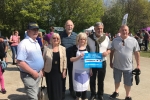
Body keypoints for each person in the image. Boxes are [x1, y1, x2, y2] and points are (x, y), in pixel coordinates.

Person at [109, 25, 140, 100]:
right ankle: (116, 92)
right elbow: (112, 51)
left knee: (128, 82)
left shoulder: (133, 41)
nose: (124, 31)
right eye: (122, 30)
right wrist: (110, 61)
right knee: (117, 80)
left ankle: (128, 96)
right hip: (117, 65)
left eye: (126, 30)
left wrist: (138, 65)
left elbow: (136, 53)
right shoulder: (115, 40)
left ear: (128, 31)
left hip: (128, 67)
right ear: (119, 31)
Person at [17, 22, 44, 100]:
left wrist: (40, 70)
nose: (35, 32)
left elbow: (39, 57)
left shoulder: (36, 42)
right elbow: (20, 62)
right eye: (33, 30)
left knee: (35, 94)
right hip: (29, 75)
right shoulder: (24, 44)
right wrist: (33, 72)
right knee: (33, 98)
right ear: (28, 31)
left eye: (37, 30)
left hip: (37, 74)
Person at [87, 22, 111, 100]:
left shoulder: (106, 38)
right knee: (92, 79)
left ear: (103, 29)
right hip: (92, 60)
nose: (99, 30)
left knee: (101, 79)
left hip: (102, 61)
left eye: (101, 28)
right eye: (98, 28)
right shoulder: (89, 38)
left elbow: (109, 49)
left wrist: (107, 52)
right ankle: (93, 94)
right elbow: (86, 48)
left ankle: (100, 94)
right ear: (94, 29)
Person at [43, 33, 67, 100]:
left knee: (59, 88)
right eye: (54, 38)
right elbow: (43, 60)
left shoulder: (63, 48)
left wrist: (64, 70)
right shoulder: (46, 48)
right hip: (49, 72)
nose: (55, 39)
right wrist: (42, 70)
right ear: (51, 39)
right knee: (50, 88)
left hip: (59, 72)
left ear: (59, 40)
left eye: (57, 38)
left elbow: (65, 60)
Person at [70, 32, 92, 100]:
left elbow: (90, 60)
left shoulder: (87, 47)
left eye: (84, 39)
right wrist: (79, 57)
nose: (82, 40)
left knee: (85, 84)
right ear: (78, 39)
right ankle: (78, 96)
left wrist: (91, 69)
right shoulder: (74, 47)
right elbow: (71, 59)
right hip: (77, 70)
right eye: (81, 39)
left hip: (86, 70)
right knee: (78, 84)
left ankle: (84, 97)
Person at [59, 20, 77, 99]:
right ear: (65, 26)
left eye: (71, 25)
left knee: (72, 76)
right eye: (68, 25)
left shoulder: (76, 36)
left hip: (73, 60)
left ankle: (72, 90)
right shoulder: (60, 35)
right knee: (63, 76)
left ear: (73, 26)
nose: (69, 27)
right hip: (62, 60)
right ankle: (62, 91)